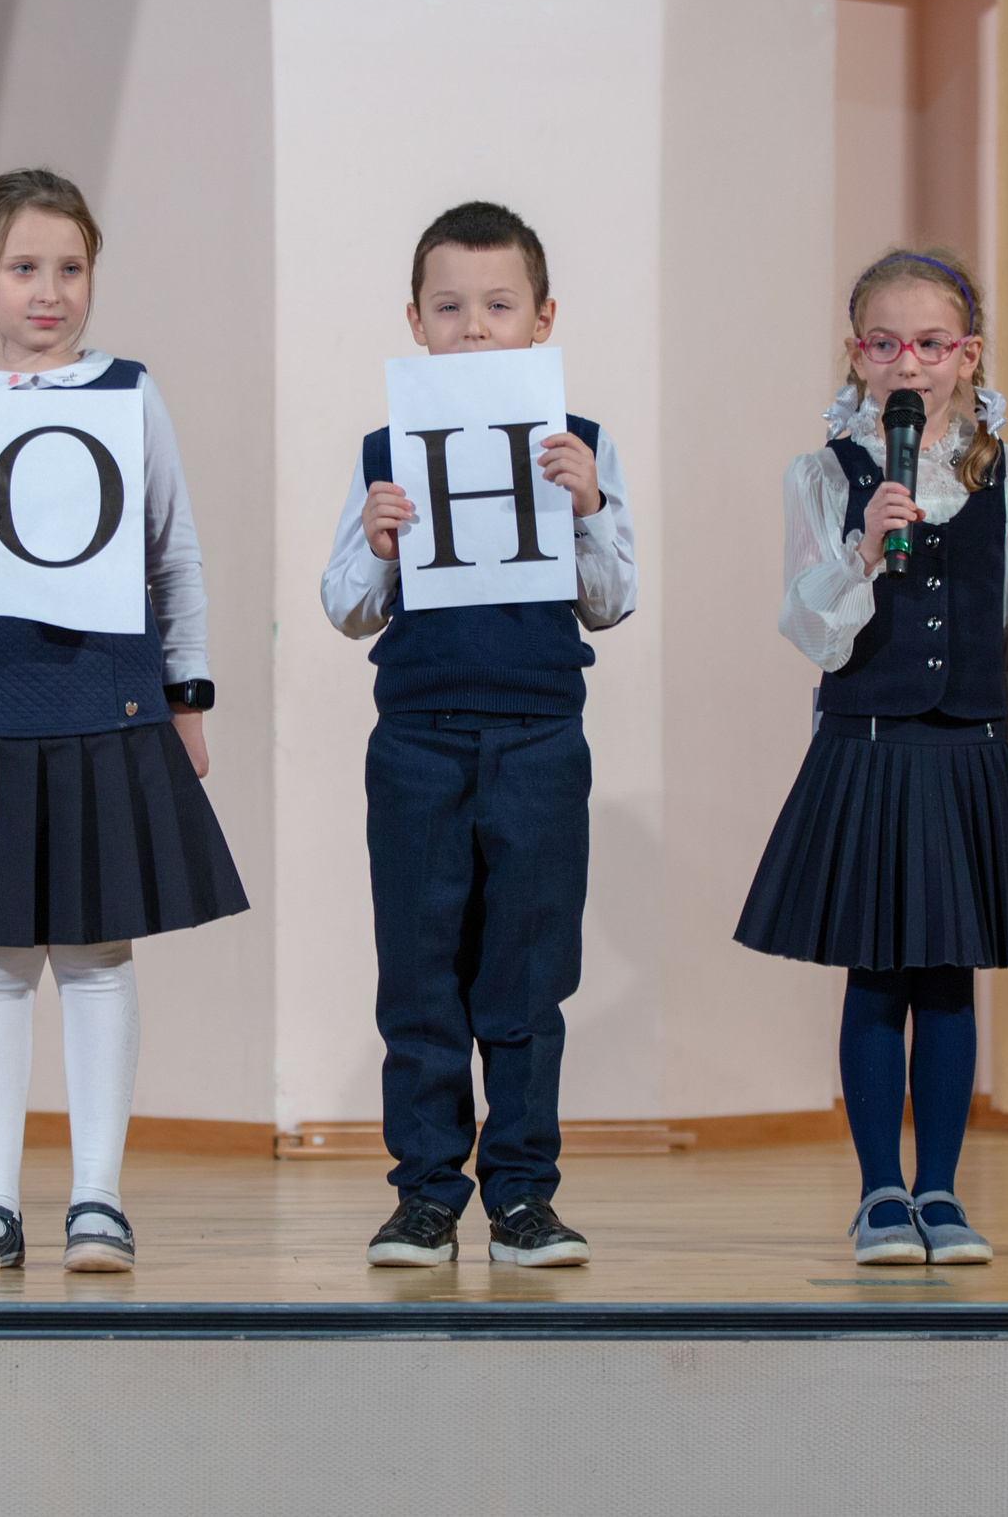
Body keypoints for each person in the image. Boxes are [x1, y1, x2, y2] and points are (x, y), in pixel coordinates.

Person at [0, 167, 245, 1275]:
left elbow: (173, 551)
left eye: (69, 269)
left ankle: (97, 1199)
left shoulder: (130, 392)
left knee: (97, 956)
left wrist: (188, 692)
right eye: (24, 268)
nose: (48, 291)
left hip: (107, 708)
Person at [735, 248, 1008, 1265]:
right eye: (885, 344)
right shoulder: (823, 473)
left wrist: (994, 722)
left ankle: (941, 1191)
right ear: (857, 355)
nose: (908, 363)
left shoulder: (1005, 470)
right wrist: (860, 552)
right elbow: (812, 630)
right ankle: (879, 1191)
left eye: (929, 344)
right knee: (876, 977)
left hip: (964, 743)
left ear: (966, 355)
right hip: (870, 745)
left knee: (948, 980)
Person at [319, 201, 637, 1269]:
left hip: (540, 739)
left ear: (541, 320)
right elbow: (344, 604)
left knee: (528, 977)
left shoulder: (575, 448)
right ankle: (422, 1197)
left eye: (498, 306)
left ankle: (522, 1198)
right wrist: (377, 546)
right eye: (449, 307)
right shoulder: (389, 451)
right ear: (414, 321)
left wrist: (588, 508)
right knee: (417, 978)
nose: (473, 327)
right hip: (416, 741)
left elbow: (612, 600)